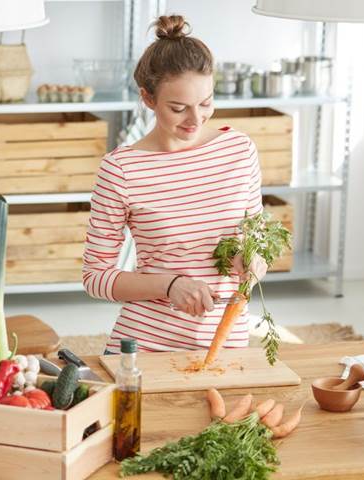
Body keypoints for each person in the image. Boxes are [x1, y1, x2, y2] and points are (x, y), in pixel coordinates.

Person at [82, 15, 268, 354]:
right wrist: (170, 285)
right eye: (179, 108)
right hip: (146, 347)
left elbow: (257, 236)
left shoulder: (240, 150)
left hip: (226, 343)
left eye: (206, 103)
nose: (195, 120)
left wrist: (253, 260)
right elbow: (95, 277)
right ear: (148, 99)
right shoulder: (121, 169)